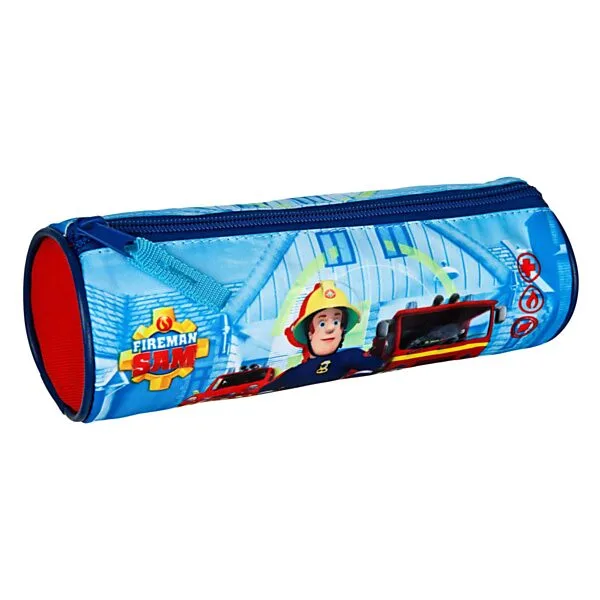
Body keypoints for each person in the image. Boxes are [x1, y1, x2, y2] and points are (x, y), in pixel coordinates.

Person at [263, 281, 383, 391]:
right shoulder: (291, 374)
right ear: (309, 332)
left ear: (342, 330)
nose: (331, 328)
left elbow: (385, 369)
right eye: (322, 323)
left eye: (336, 322)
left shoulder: (352, 356)